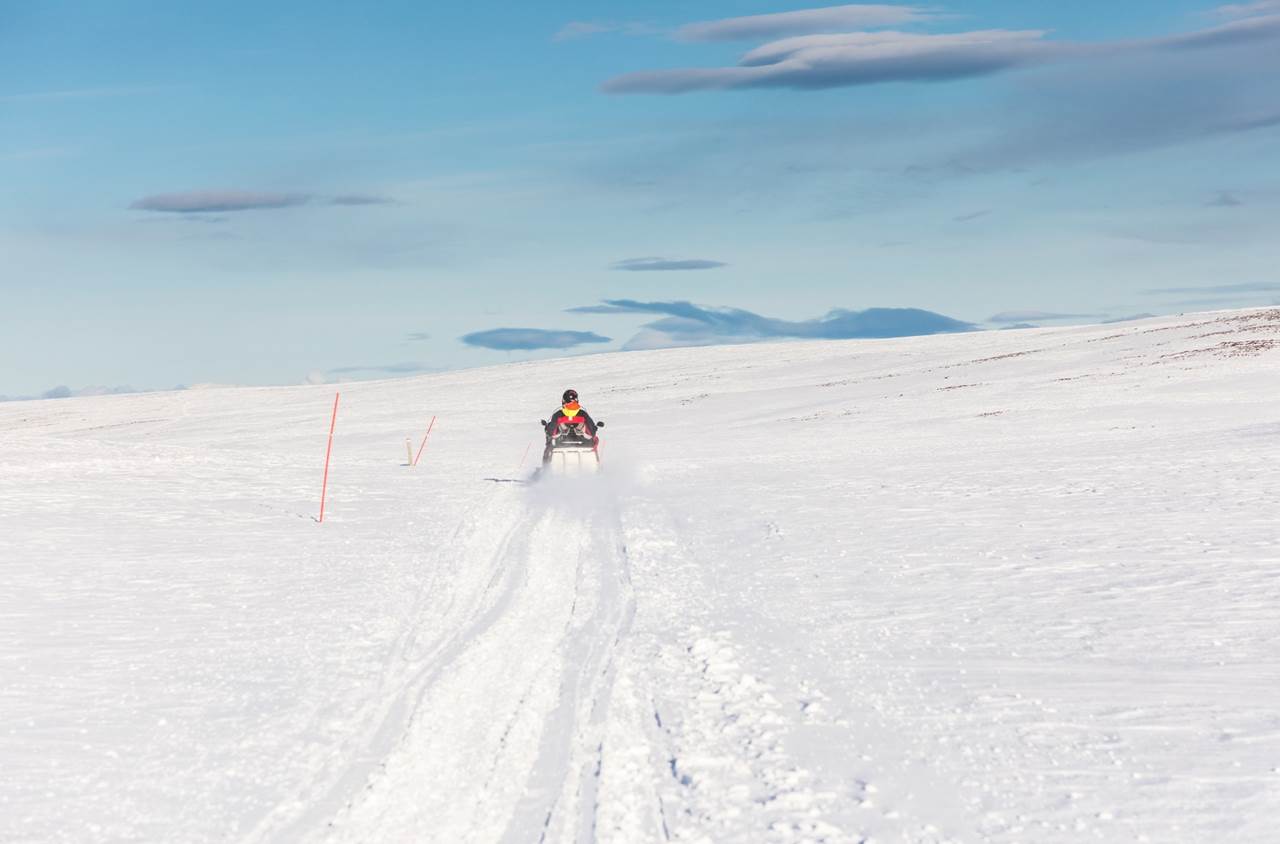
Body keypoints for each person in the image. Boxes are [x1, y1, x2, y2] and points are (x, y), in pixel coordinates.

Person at [543, 389, 598, 463]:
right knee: (595, 439)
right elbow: (592, 431)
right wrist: (594, 429)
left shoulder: (558, 414)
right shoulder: (583, 414)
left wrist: (547, 428)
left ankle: (546, 466)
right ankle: (597, 463)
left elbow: (550, 431)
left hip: (559, 445)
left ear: (563, 401)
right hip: (585, 445)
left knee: (549, 443)